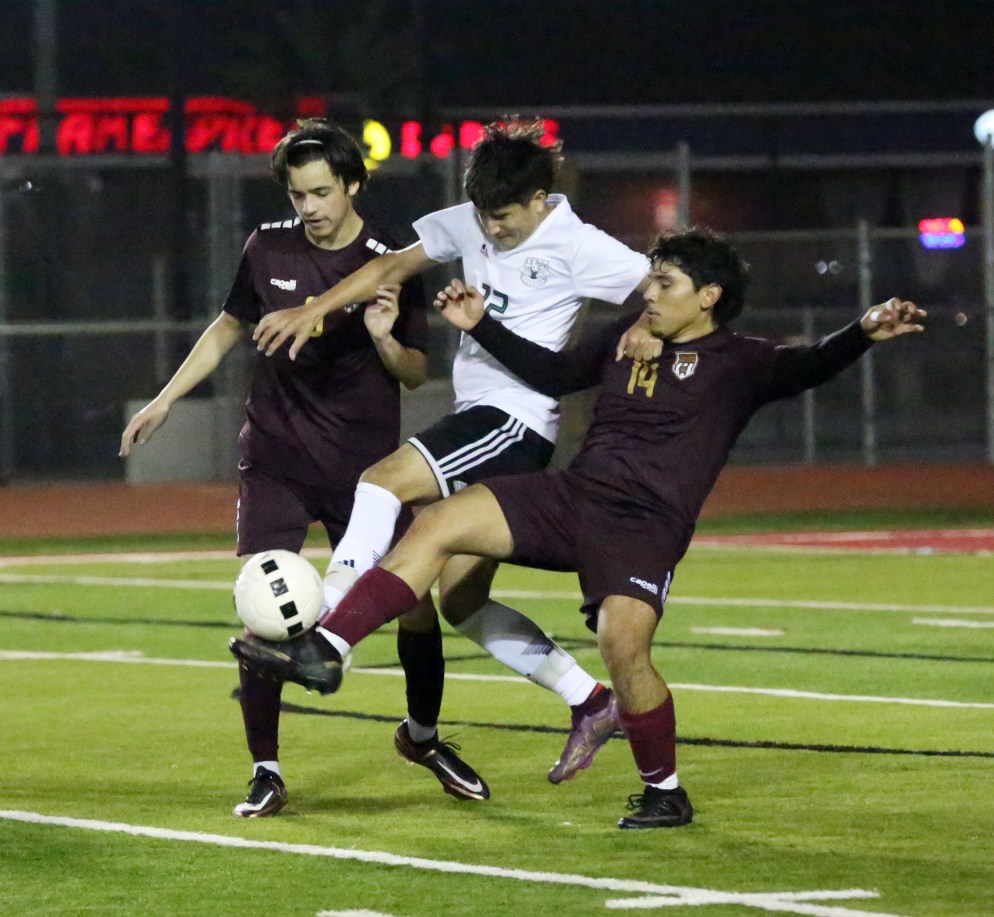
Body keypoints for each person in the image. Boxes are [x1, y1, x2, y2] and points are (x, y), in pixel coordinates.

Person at [230, 227, 927, 829]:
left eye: (665, 281)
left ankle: (665, 791)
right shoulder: (626, 340)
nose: (648, 292)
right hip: (574, 495)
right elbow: (558, 373)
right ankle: (326, 648)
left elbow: (809, 365)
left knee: (623, 643)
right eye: (651, 279)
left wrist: (863, 331)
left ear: (708, 296)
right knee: (437, 521)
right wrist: (482, 327)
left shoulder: (741, 361)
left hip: (644, 527)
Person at [239, 119, 661, 784]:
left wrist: (643, 324)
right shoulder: (469, 219)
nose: (490, 230)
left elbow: (660, 285)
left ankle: (328, 628)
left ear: (539, 199)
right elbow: (388, 265)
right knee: (459, 600)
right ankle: (591, 699)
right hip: (481, 419)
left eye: (504, 218)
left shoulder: (579, 244)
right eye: (483, 216)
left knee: (380, 482)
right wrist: (311, 308)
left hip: (514, 421)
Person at [120, 118, 482, 817]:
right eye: (298, 193)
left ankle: (424, 737)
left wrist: (381, 338)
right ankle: (266, 767)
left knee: (415, 608)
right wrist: (168, 397)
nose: (308, 207)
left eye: (321, 192)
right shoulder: (267, 245)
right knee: (266, 606)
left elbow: (413, 372)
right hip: (277, 459)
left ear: (352, 185)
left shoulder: (389, 263)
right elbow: (229, 324)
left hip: (368, 472)